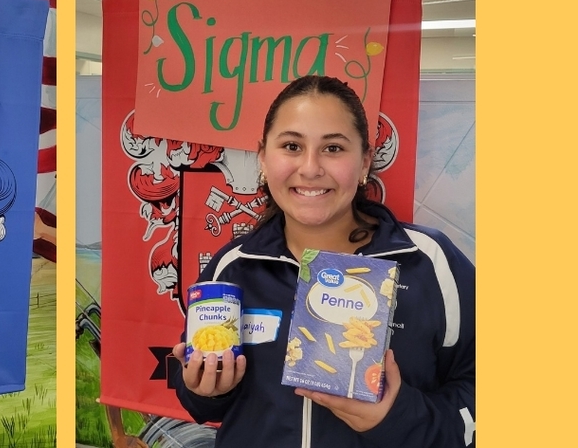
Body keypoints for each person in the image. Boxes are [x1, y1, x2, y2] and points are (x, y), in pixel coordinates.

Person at [172, 76, 474, 447]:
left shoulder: (429, 262)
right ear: (264, 158)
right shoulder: (234, 267)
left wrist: (398, 418)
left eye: (332, 148)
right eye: (292, 146)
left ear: (364, 162)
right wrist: (205, 390)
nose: (311, 168)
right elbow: (202, 404)